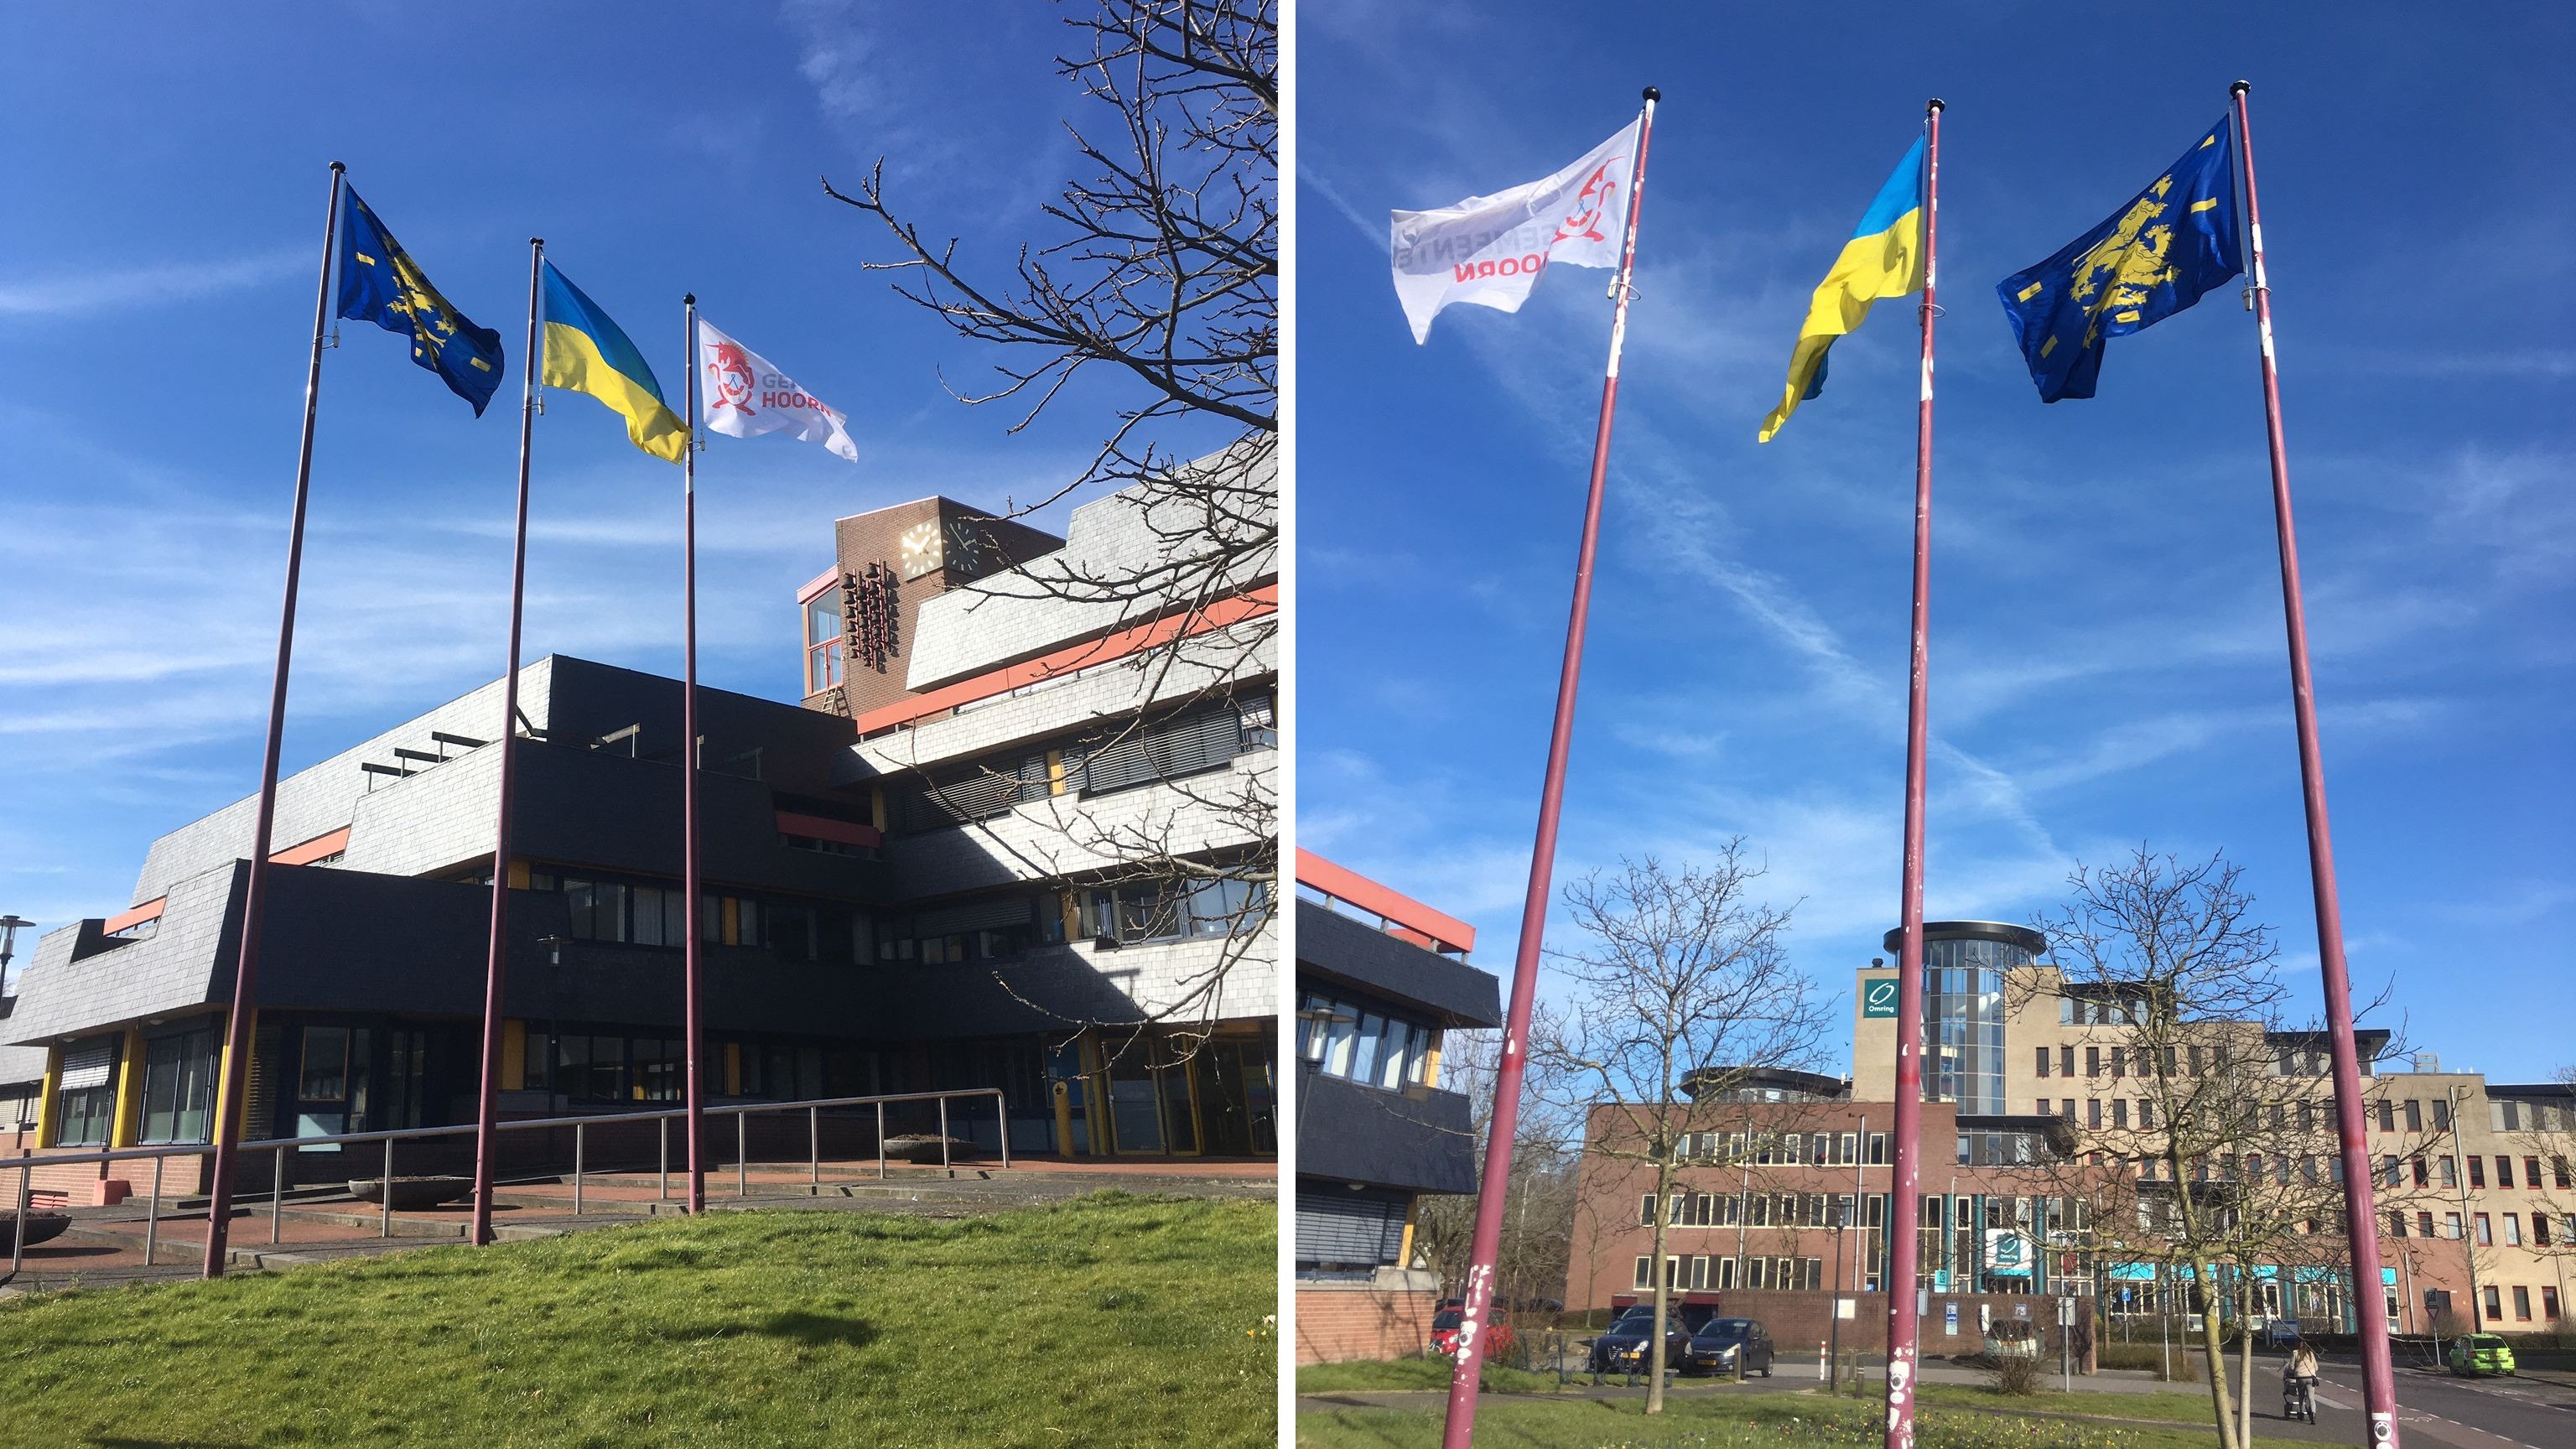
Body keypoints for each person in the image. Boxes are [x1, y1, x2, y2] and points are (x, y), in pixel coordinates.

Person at [2283, 1337, 2320, 1420]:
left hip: (2300, 1378)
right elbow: (2316, 1368)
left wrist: (2294, 1371)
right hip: (2311, 1377)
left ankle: (2301, 1413)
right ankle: (2313, 1414)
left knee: (2301, 1396)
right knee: (2311, 1397)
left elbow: (2291, 1367)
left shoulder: (2295, 1353)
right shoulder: (2311, 1354)